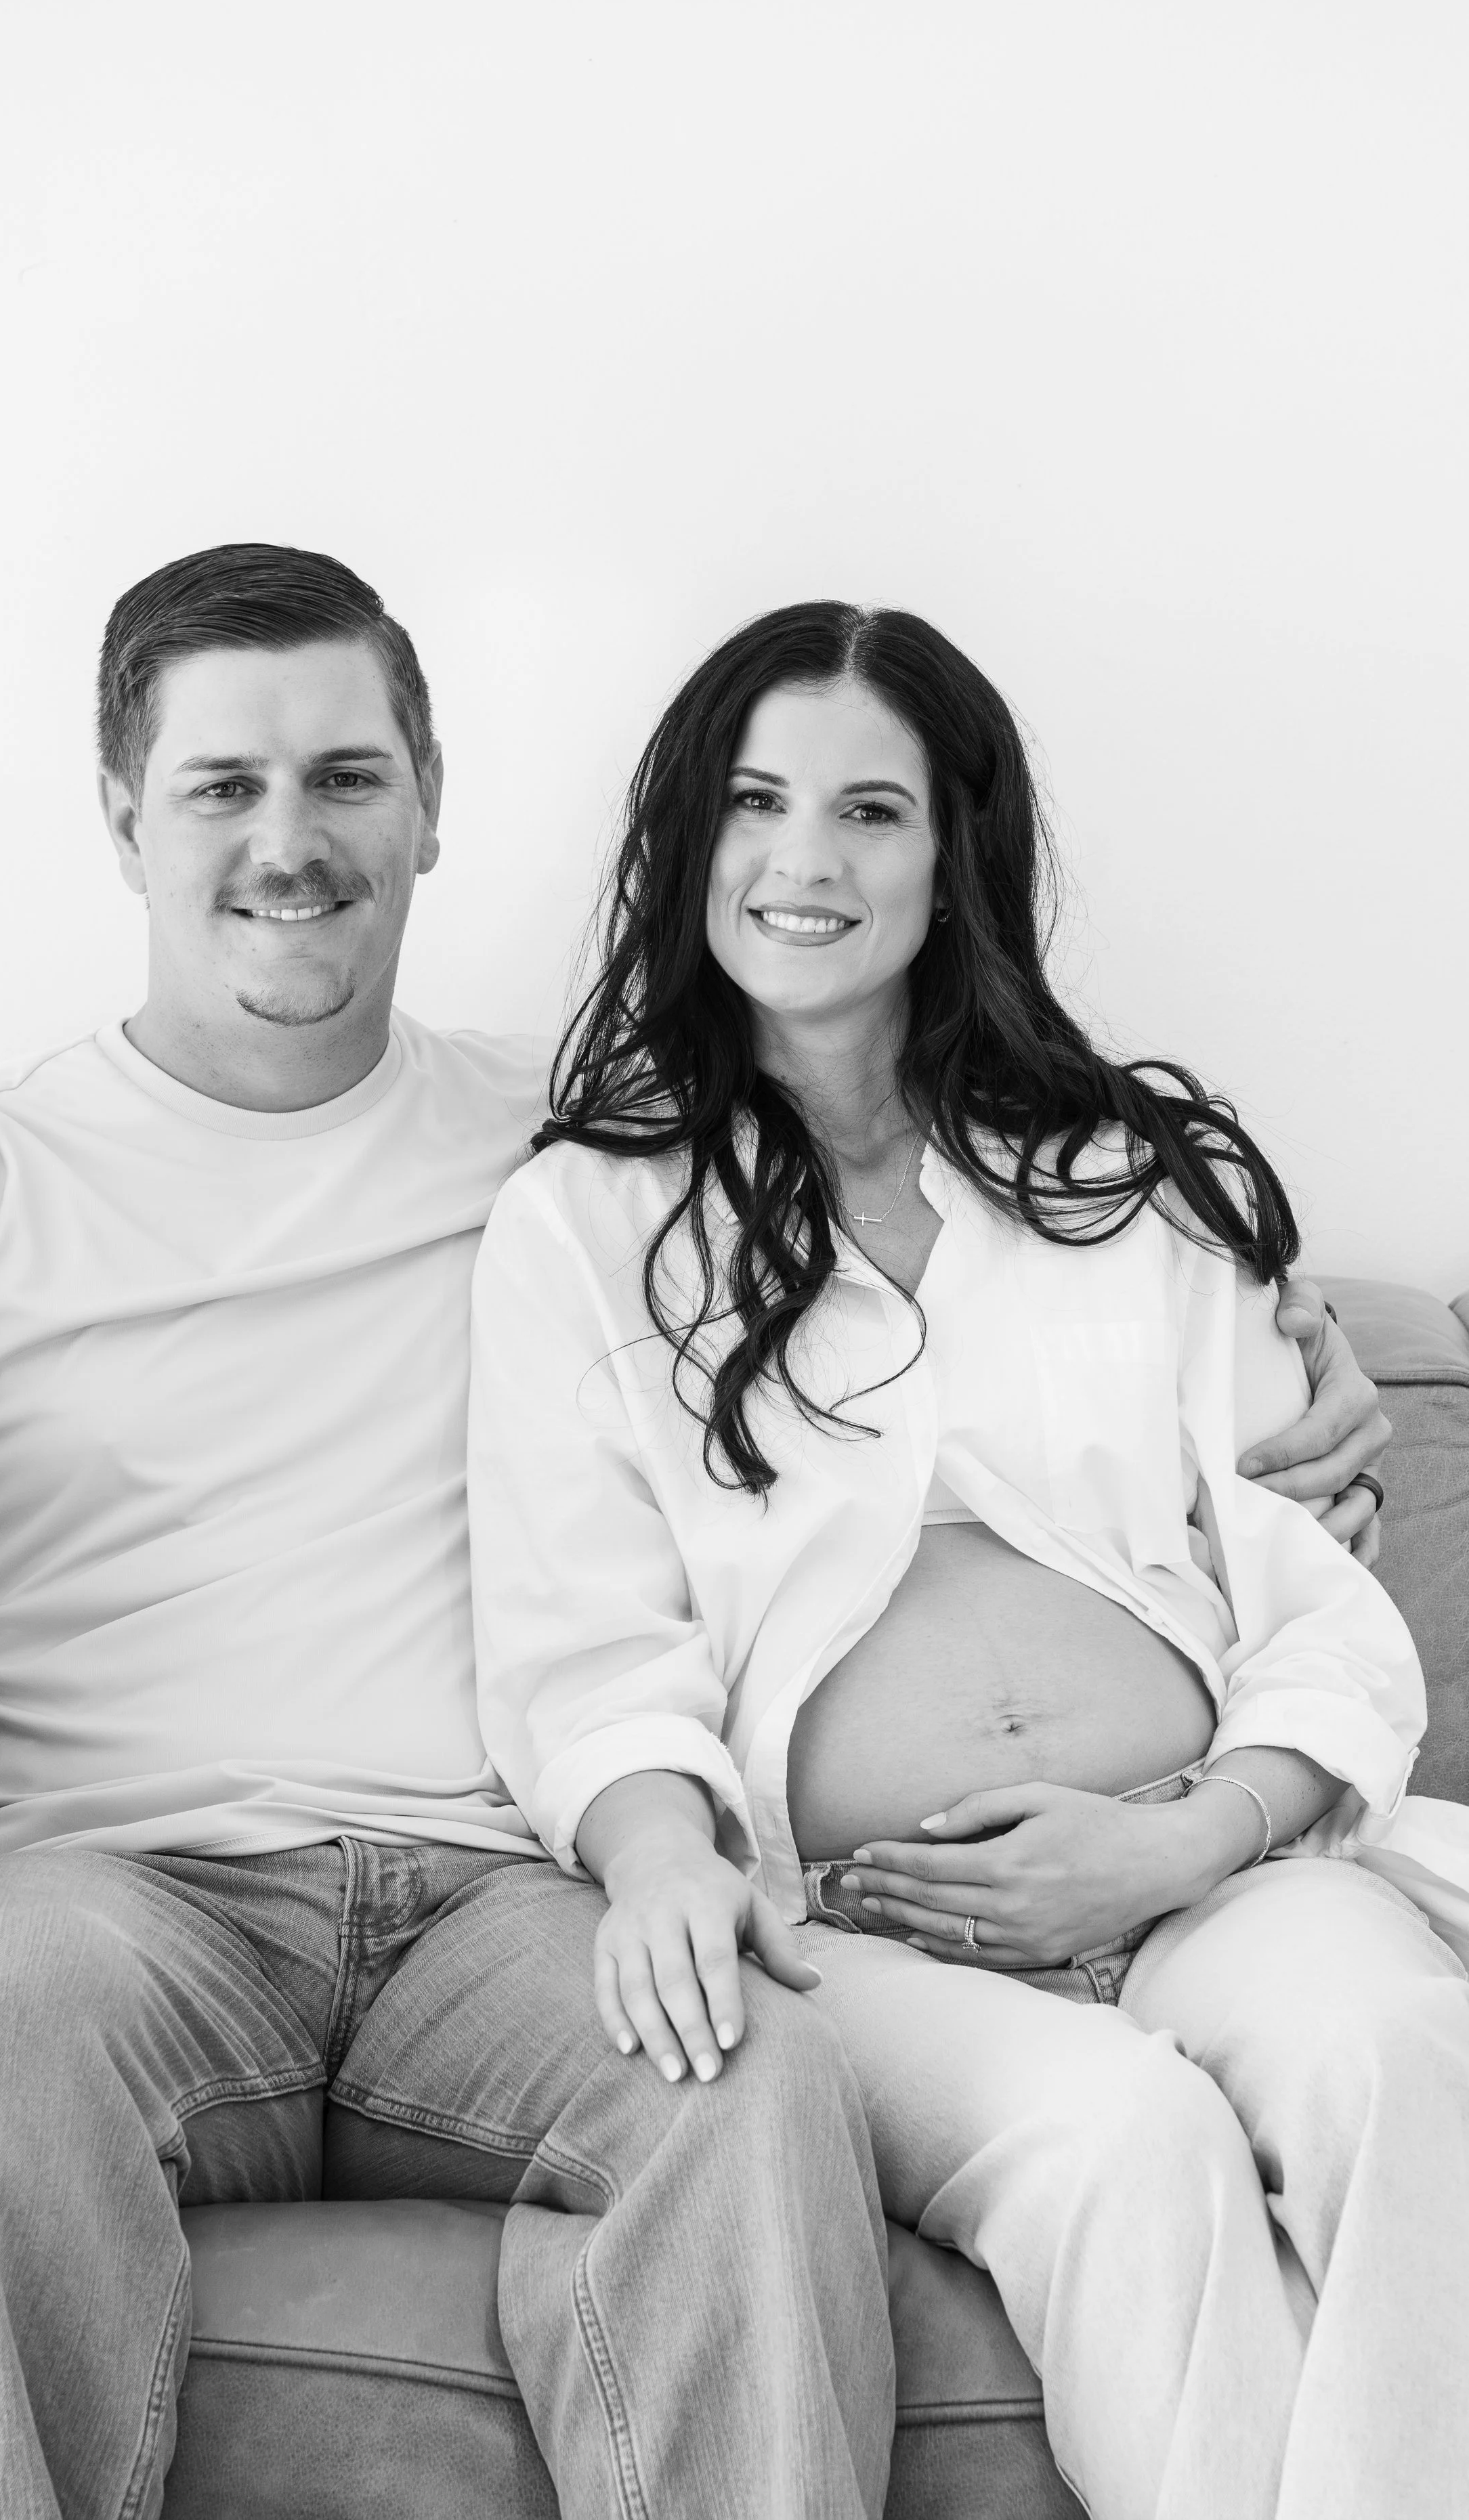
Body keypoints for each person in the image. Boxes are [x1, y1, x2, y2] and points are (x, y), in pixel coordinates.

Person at [0, 548, 901, 2520]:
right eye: (222, 785)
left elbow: (939, 1257)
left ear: (432, 800)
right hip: (107, 1907)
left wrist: (1267, 1356)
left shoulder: (577, 1138)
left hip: (499, 1903)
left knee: (757, 2083)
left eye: (345, 778)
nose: (288, 842)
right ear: (123, 814)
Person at [465, 601, 1468, 2520]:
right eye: (755, 803)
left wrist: (1185, 1835)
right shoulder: (584, 1224)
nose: (803, 861)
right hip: (867, 1920)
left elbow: (1314, 1602)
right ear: (688, 844)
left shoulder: (1131, 1182)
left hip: (1211, 1849)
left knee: (1395, 2044)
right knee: (1126, 2147)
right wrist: (656, 1843)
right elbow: (580, 1645)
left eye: (870, 811)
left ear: (956, 856)